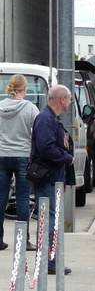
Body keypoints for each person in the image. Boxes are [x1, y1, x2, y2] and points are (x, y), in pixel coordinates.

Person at [30, 85, 74, 275]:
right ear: (62, 99)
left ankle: (51, 259)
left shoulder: (52, 119)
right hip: (46, 177)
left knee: (52, 217)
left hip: (54, 176)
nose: (70, 102)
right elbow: (47, 148)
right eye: (70, 98)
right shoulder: (45, 119)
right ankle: (48, 261)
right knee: (49, 218)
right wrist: (67, 158)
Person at [0, 75, 39, 251]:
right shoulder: (30, 109)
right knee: (23, 198)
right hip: (23, 155)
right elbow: (38, 133)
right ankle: (23, 240)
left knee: (1, 198)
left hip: (2, 155)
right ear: (25, 89)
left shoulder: (0, 107)